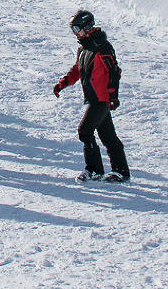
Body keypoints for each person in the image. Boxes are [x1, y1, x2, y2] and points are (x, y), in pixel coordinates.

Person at [53, 10, 129, 181]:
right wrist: (63, 83)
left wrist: (113, 96)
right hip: (94, 98)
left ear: (87, 26)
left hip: (101, 100)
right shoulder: (84, 48)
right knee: (108, 136)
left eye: (77, 28)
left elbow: (113, 72)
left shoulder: (101, 47)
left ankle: (95, 170)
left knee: (85, 131)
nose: (75, 32)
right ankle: (120, 172)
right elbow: (77, 70)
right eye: (73, 29)